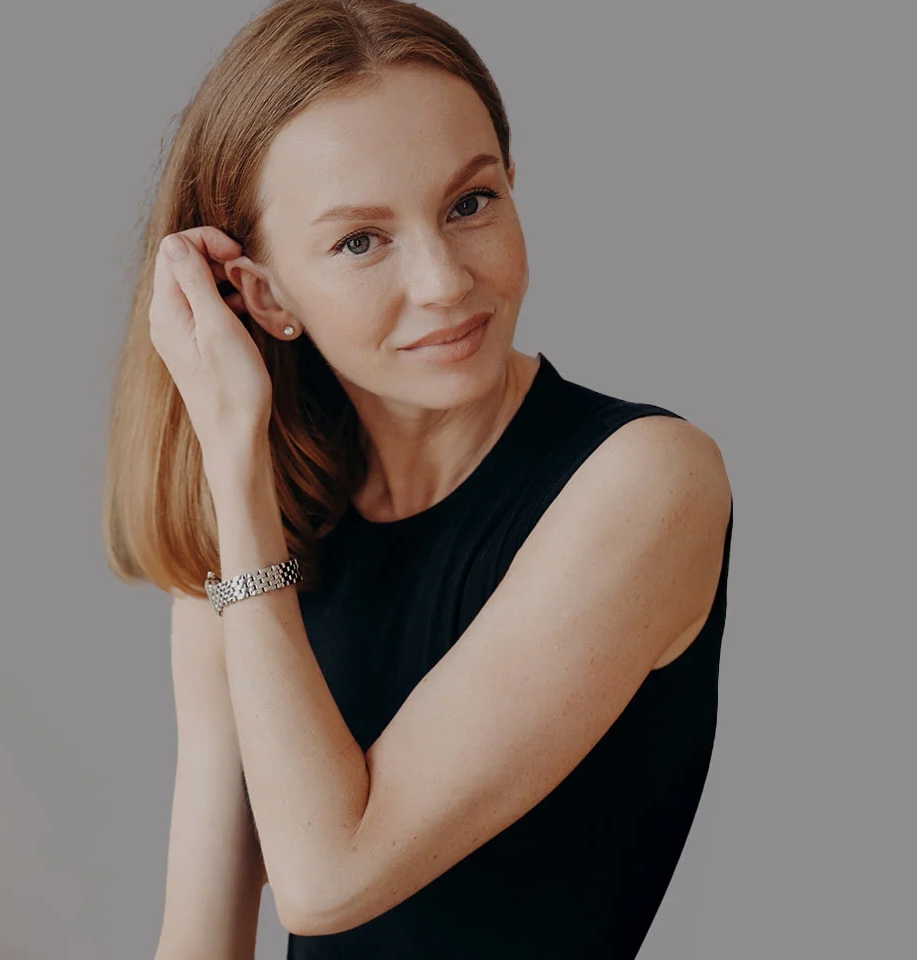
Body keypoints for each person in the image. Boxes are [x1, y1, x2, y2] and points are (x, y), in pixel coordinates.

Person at [101, 1, 734, 956]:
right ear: (265, 297)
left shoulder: (648, 482)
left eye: (470, 202)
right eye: (360, 240)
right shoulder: (259, 533)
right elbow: (200, 933)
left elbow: (324, 878)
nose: (443, 280)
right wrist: (237, 484)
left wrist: (233, 461)